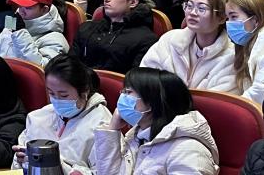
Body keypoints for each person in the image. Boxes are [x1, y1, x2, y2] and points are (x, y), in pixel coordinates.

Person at [90, 68, 218, 175]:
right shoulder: (136, 137)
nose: (122, 97)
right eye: (123, 92)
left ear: (152, 102)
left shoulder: (188, 150)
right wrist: (112, 129)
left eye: (128, 92)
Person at [14, 54, 112, 175]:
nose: (56, 100)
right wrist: (21, 161)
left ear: (84, 91)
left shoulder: (103, 125)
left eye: (63, 95)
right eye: (51, 93)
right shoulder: (37, 117)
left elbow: (105, 172)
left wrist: (56, 164)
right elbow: (16, 167)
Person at [141, 0, 236, 92]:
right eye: (189, 6)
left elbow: (216, 100)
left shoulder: (231, 56)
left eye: (201, 8)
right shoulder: (170, 39)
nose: (192, 13)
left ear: (222, 18)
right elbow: (144, 78)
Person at [70, 0, 158, 73]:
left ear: (133, 2)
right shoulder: (86, 28)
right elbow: (69, 66)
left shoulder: (145, 39)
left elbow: (136, 79)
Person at [0, 0, 68, 67]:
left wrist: (20, 34)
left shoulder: (56, 39)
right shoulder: (14, 21)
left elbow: (42, 69)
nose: (21, 12)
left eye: (28, 7)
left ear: (44, 9)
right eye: (19, 6)